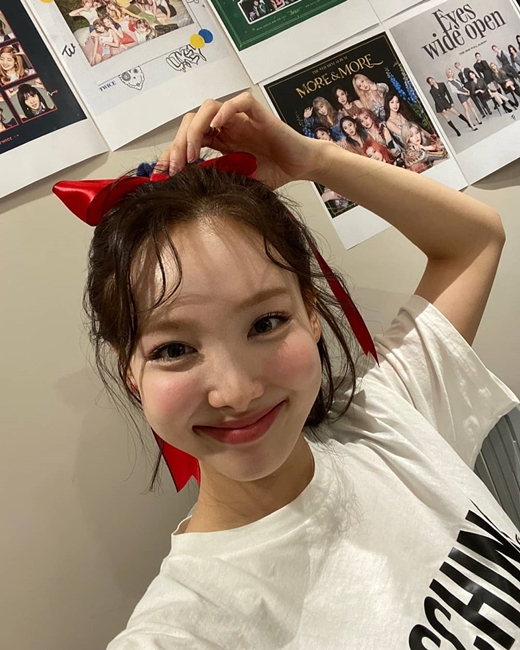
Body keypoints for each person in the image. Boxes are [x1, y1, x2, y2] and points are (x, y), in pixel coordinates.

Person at [53, 91, 520, 648]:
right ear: (130, 371)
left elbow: (474, 242)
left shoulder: (388, 416)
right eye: (174, 350)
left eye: (266, 322)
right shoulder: (185, 630)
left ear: (312, 312)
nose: (236, 391)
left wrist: (314, 159)